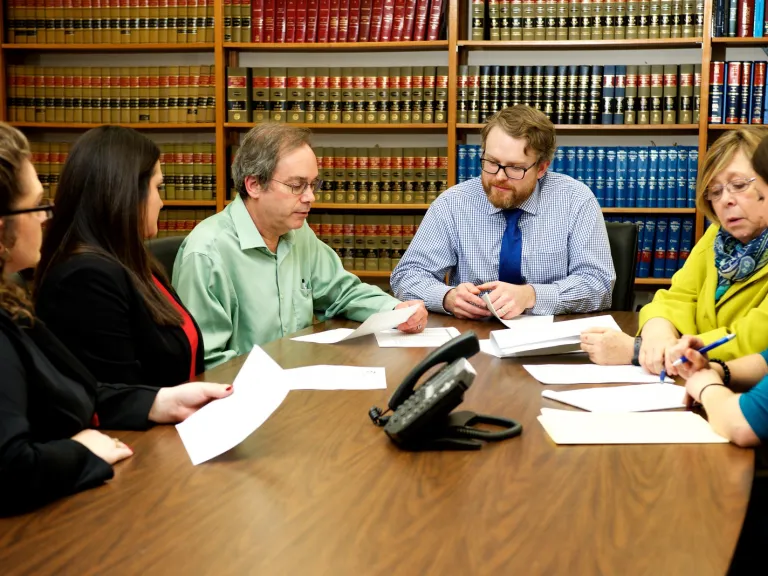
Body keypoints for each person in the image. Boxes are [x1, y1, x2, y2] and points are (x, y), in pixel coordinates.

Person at [0, 123, 232, 516]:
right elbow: (11, 465)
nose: (45, 217)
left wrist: (159, 401)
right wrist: (77, 451)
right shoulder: (82, 276)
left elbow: (86, 388)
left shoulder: (12, 301)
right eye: (37, 204)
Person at [172, 123, 428, 369]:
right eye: (296, 186)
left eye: (313, 184)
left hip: (299, 378)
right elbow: (207, 362)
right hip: (244, 395)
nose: (310, 197)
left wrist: (394, 310)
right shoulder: (206, 253)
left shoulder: (297, 231)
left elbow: (340, 292)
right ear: (254, 185)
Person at [389, 105, 615, 319]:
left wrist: (531, 296)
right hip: (473, 335)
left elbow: (599, 284)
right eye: (491, 162)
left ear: (542, 168)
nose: (499, 177)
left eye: (515, 167)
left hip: (551, 337)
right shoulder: (453, 203)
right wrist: (447, 297)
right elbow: (407, 275)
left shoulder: (575, 200)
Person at [581, 127, 768, 374]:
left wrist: (638, 351)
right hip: (701, 382)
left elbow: (754, 342)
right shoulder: (719, 236)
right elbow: (675, 298)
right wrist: (658, 333)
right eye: (715, 191)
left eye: (738, 184)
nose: (726, 200)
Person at [34, 126, 205, 388]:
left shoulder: (132, 259)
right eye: (157, 188)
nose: (162, 202)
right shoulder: (86, 278)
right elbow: (117, 396)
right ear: (127, 194)